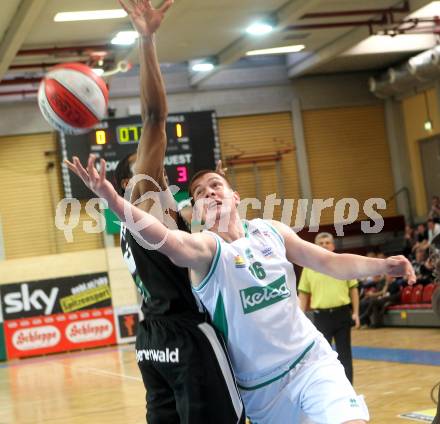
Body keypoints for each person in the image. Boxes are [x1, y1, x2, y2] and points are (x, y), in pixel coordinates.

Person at [65, 155, 416, 424]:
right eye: (199, 193)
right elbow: (165, 240)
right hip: (261, 389)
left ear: (234, 195)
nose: (209, 193)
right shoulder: (205, 250)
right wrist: (112, 199)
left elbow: (327, 261)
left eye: (216, 185)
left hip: (312, 362)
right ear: (197, 211)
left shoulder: (271, 230)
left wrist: (381, 266)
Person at [112, 1, 245, 423]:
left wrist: (214, 194)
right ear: (129, 184)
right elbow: (154, 115)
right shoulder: (143, 193)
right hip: (185, 336)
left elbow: (188, 227)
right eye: (149, 164)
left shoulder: (140, 222)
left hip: (151, 341)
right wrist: (146, 39)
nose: (160, 167)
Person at [297, 232, 360, 383]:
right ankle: (328, 387)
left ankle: (348, 388)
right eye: (321, 243)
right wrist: (299, 318)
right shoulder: (308, 267)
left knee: (345, 354)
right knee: (322, 356)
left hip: (342, 314)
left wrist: (356, 313)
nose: (324, 245)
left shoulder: (343, 263)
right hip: (321, 318)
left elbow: (353, 290)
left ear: (333, 245)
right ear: (315, 246)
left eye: (327, 242)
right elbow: (303, 295)